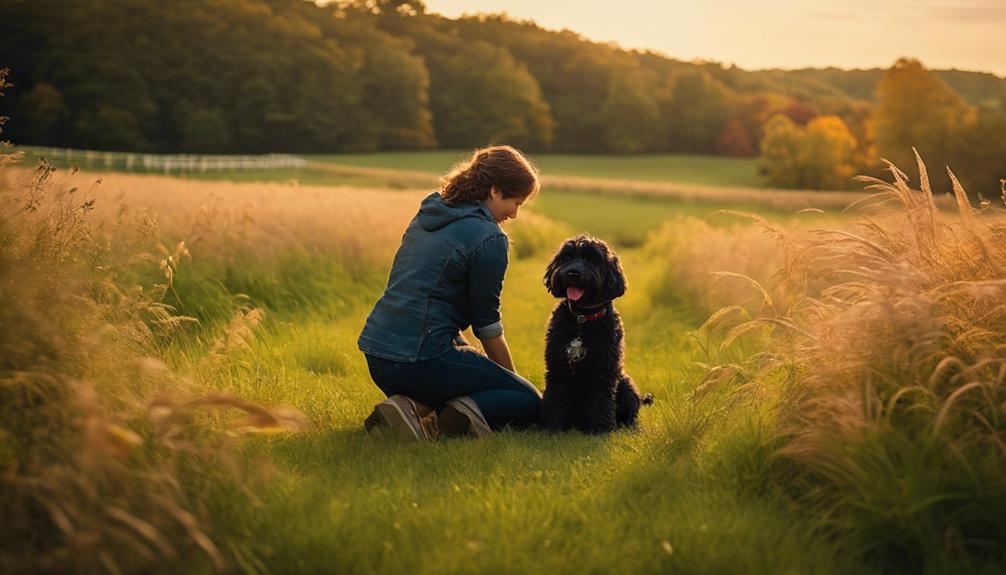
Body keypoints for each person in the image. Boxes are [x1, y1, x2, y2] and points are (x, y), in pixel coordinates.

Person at [357, 145, 543, 441]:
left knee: (464, 365)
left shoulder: (429, 213)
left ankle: (408, 407)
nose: (515, 214)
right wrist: (512, 381)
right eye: (515, 202)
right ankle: (428, 411)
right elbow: (487, 324)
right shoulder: (489, 238)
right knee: (528, 400)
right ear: (495, 191)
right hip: (419, 360)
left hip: (378, 356)